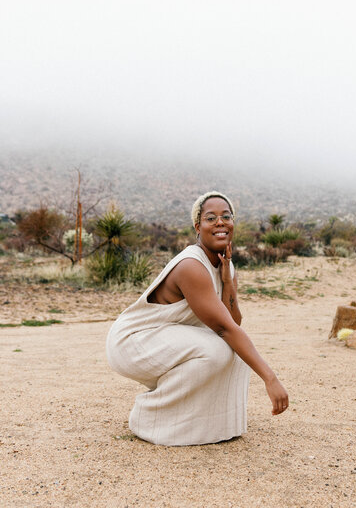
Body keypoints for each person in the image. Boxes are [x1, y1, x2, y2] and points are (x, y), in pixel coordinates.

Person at [106, 191, 288, 446]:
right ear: (197, 227)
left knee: (235, 352)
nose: (220, 223)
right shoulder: (191, 265)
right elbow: (225, 329)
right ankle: (149, 417)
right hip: (133, 341)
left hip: (168, 339)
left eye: (226, 216)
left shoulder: (227, 265)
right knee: (217, 349)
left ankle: (210, 428)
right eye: (210, 218)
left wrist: (227, 282)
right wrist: (270, 378)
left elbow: (234, 322)